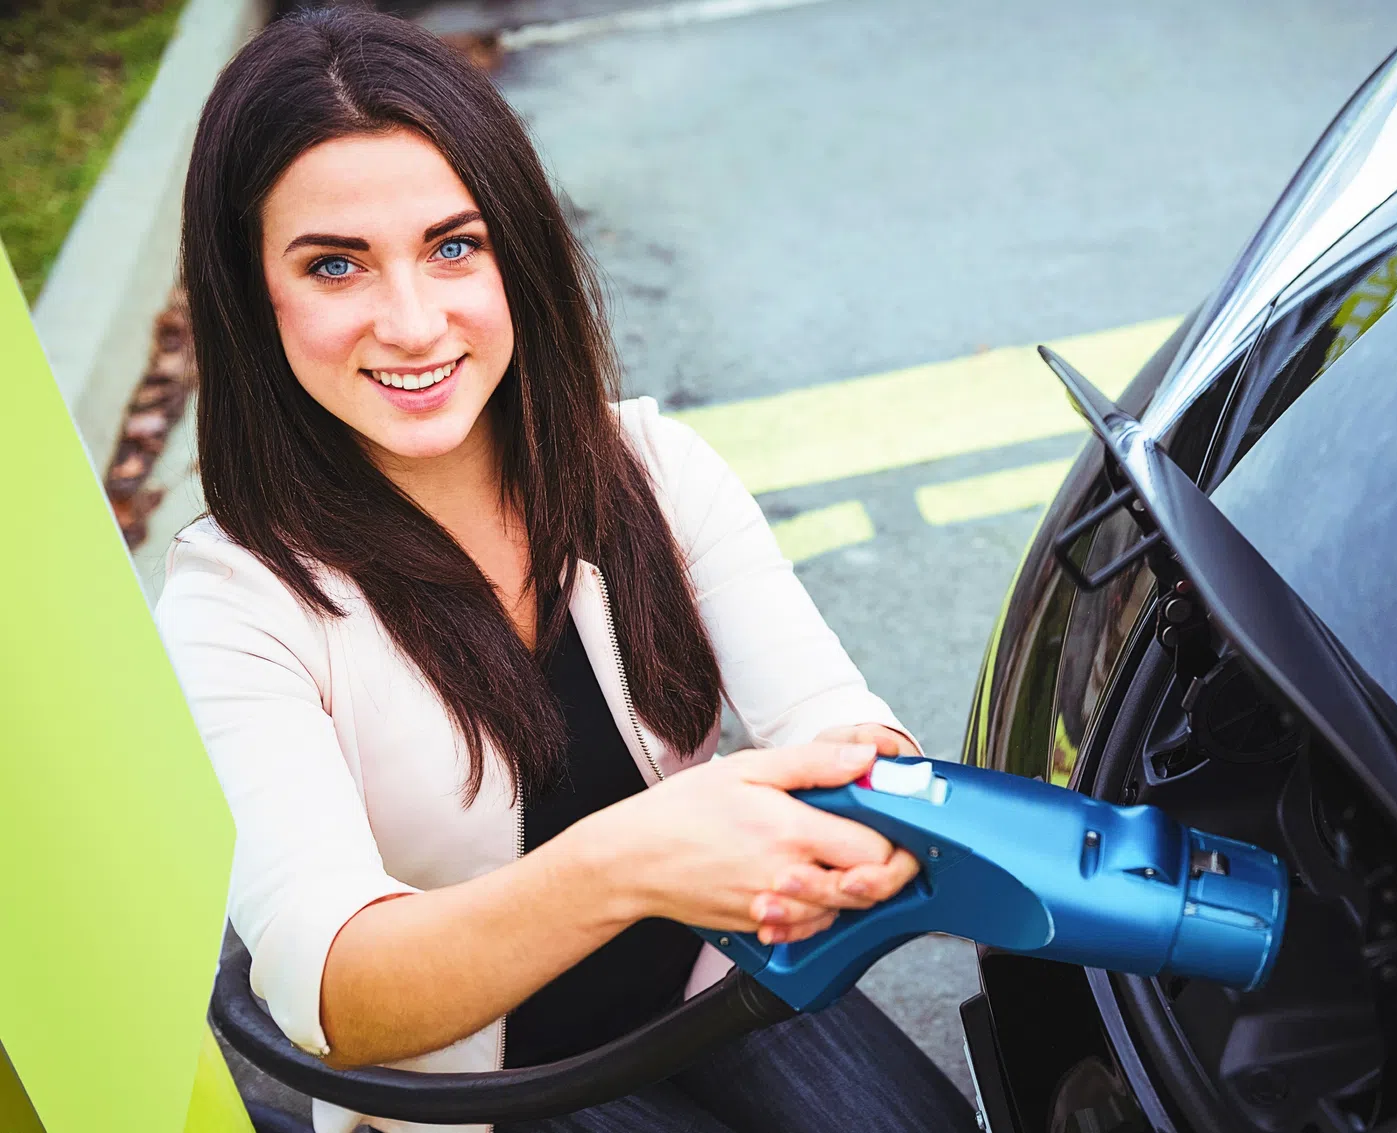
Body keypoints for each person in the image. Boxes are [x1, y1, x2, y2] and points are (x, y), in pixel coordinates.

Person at [154, 9, 977, 1133]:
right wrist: (631, 860)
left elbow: (834, 722)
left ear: (517, 250)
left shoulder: (653, 465)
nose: (411, 321)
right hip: (479, 1101)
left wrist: (874, 798)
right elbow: (332, 992)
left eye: (454, 245)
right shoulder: (234, 605)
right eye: (334, 263)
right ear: (254, 298)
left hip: (721, 987)